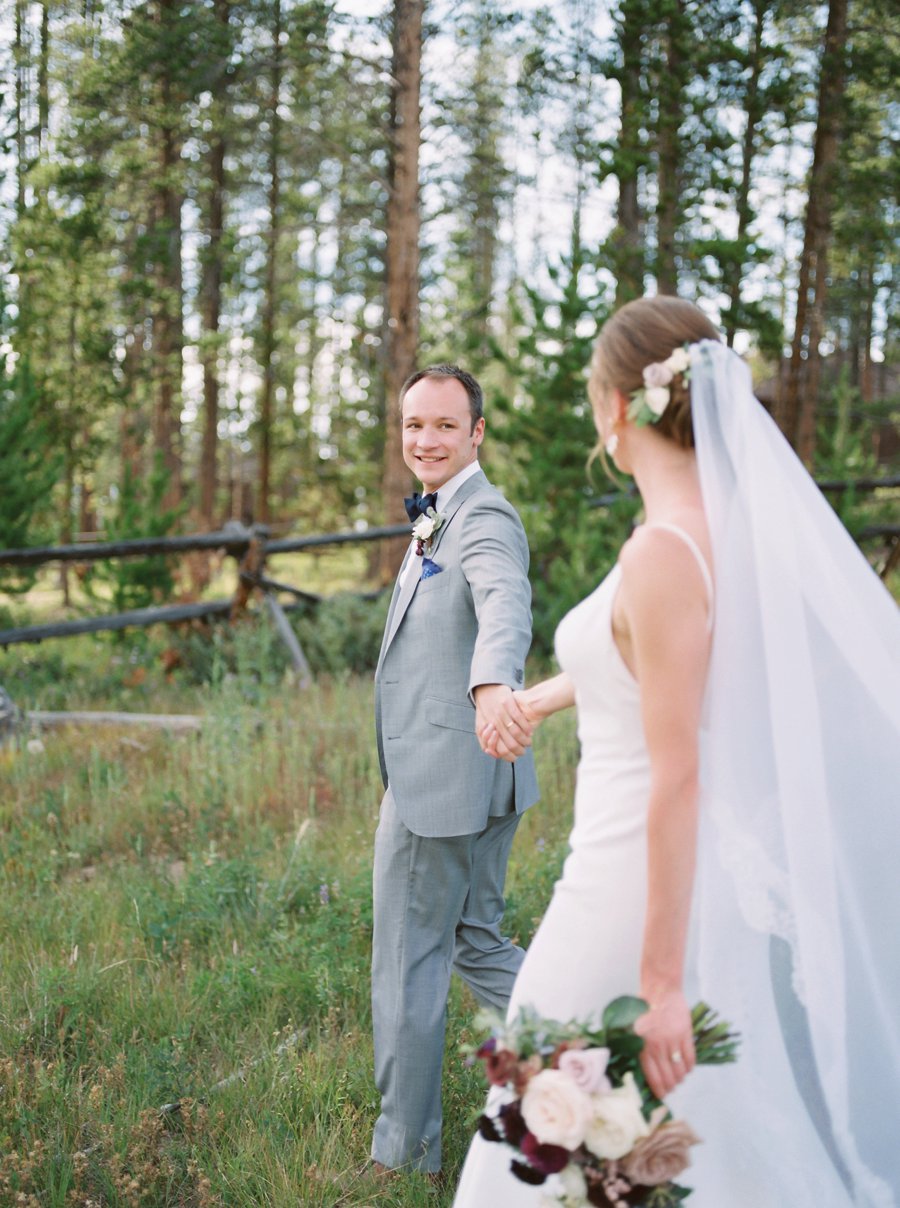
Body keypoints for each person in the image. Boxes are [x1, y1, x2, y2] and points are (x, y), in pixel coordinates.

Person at [453, 297, 900, 1206]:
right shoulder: (725, 533)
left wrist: (658, 983)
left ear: (618, 407)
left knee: (553, 1112)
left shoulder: (661, 549)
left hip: (624, 886)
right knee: (667, 1138)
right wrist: (542, 696)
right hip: (680, 881)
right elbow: (668, 666)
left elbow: (679, 772)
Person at [370, 363, 540, 1181]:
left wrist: (490, 684)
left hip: (442, 776)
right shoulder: (437, 512)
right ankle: (589, 1044)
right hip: (480, 773)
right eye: (414, 425)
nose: (426, 440)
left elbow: (504, 601)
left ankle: (401, 1159)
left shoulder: (483, 517)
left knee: (408, 961)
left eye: (444, 425)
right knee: (474, 941)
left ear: (477, 432)